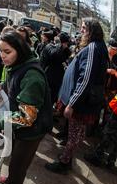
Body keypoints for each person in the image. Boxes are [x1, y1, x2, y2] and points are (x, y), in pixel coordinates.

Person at [0, 30, 52, 184]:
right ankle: (13, 180)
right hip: (19, 127)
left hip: (32, 130)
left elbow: (26, 118)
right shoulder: (17, 65)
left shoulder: (32, 75)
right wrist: (2, 86)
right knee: (14, 158)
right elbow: (14, 81)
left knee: (18, 164)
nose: (3, 56)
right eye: (0, 51)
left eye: (8, 52)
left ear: (20, 50)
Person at [45, 18, 109, 174]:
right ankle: (67, 157)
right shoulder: (96, 47)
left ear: (91, 31)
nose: (81, 31)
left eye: (84, 28)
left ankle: (64, 162)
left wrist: (71, 104)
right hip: (84, 101)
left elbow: (86, 78)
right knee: (77, 134)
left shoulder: (93, 48)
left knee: (74, 134)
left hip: (81, 103)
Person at [40, 32, 71, 105]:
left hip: (57, 78)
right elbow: (53, 54)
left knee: (52, 97)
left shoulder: (64, 50)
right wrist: (60, 45)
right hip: (48, 75)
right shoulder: (50, 46)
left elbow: (66, 56)